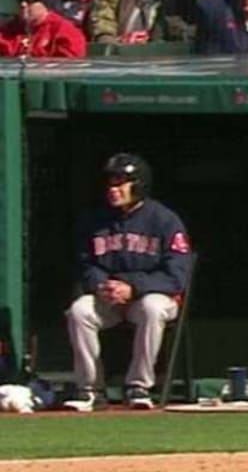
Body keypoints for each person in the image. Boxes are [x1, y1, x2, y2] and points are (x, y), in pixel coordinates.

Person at [62, 154, 192, 412]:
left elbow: (178, 275)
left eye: (121, 183)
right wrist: (101, 285)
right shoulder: (94, 220)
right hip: (109, 297)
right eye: (111, 183)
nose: (114, 189)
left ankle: (138, 386)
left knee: (152, 309)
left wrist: (133, 287)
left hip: (150, 296)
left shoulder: (165, 220)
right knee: (79, 311)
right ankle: (90, 390)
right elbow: (85, 264)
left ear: (139, 184)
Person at [0, 0, 86, 58]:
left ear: (45, 4)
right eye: (20, 0)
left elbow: (68, 69)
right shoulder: (7, 30)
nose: (23, 4)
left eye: (30, 0)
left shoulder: (64, 31)